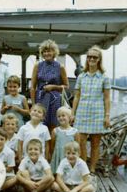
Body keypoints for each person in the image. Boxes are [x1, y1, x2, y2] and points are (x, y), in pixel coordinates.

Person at [71, 45, 111, 173]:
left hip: (97, 113)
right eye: (89, 57)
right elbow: (77, 96)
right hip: (82, 112)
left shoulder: (104, 77)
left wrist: (107, 115)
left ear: (99, 59)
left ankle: (92, 169)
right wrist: (73, 113)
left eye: (94, 57)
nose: (91, 59)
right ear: (87, 59)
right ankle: (83, 168)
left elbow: (107, 98)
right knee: (81, 142)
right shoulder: (81, 77)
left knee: (95, 143)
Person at [30, 39, 69, 131]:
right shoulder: (37, 66)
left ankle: (52, 145)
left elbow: (66, 86)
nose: (46, 53)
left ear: (54, 52)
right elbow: (32, 87)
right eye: (44, 51)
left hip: (55, 100)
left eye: (49, 51)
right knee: (39, 125)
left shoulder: (60, 67)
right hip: (41, 98)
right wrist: (33, 104)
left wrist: (53, 87)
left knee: (53, 126)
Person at [50, 107, 79, 173]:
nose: (61, 118)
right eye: (59, 116)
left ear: (69, 117)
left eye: (63, 115)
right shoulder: (55, 131)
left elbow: (77, 147)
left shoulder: (75, 131)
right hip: (58, 154)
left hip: (70, 155)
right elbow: (52, 146)